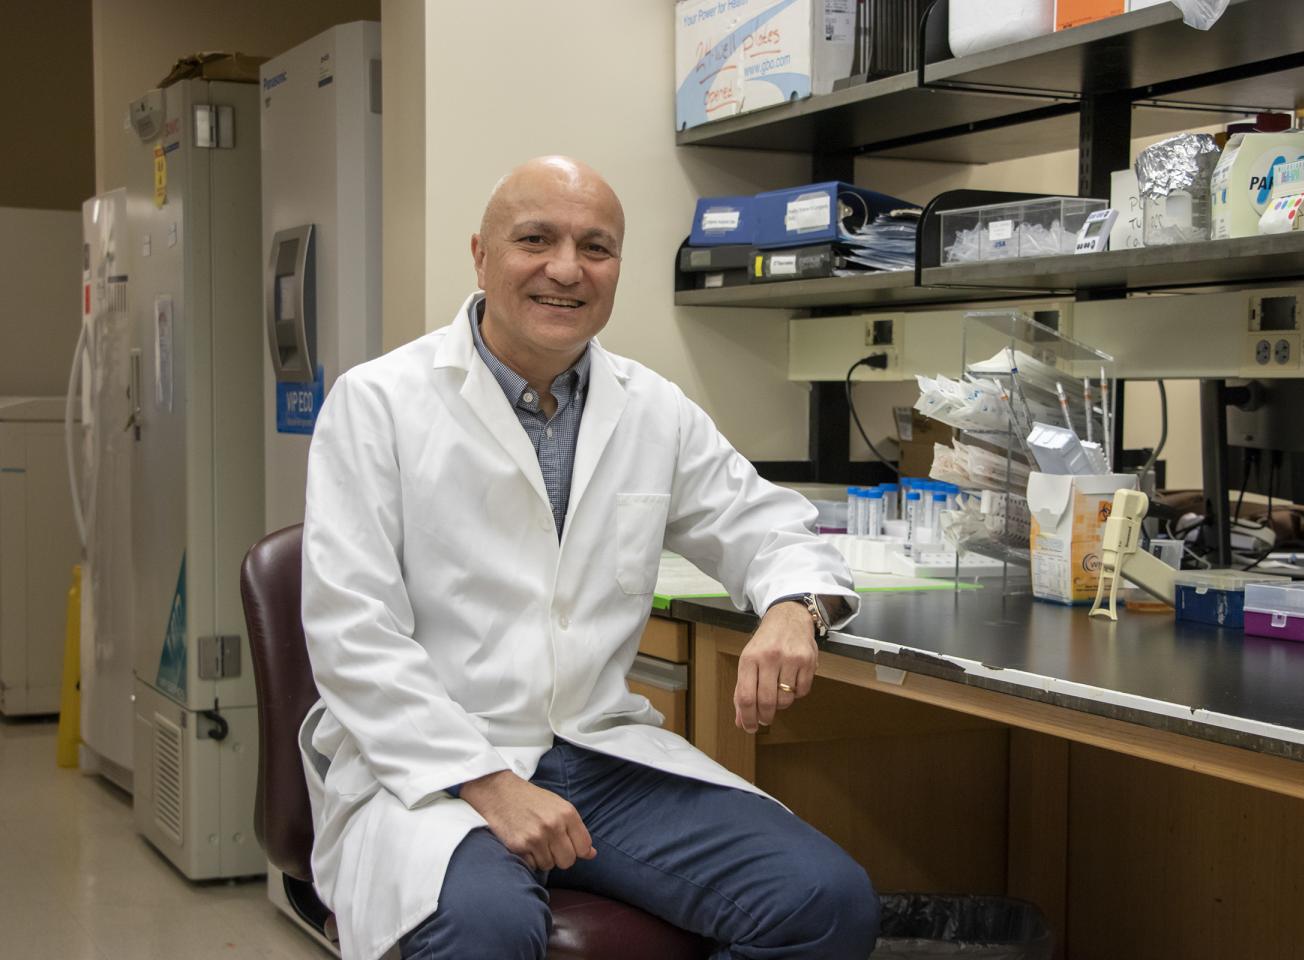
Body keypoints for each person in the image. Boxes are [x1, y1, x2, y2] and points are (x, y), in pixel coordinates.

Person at [300, 155, 879, 960]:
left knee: (824, 901)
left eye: (596, 247)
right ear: (481, 256)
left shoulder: (653, 410)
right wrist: (490, 784)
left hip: (598, 751)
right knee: (487, 927)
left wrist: (794, 608)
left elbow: (768, 527)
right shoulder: (378, 404)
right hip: (434, 764)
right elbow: (352, 633)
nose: (567, 269)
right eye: (535, 239)